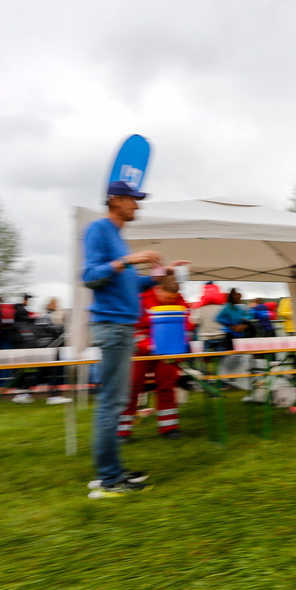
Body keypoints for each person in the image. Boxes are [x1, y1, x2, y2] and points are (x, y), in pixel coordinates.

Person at [81, 179, 171, 498]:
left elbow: (128, 285)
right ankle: (108, 480)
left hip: (120, 326)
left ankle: (112, 471)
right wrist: (129, 261)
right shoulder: (98, 230)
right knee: (112, 403)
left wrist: (160, 276)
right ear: (115, 200)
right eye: (133, 199)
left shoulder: (116, 238)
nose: (138, 205)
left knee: (115, 402)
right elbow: (89, 276)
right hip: (112, 326)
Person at [118, 268, 188, 442]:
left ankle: (169, 426)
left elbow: (185, 327)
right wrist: (147, 345)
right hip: (140, 352)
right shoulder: (140, 301)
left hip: (166, 352)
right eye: (166, 298)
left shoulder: (180, 302)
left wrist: (180, 346)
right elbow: (133, 329)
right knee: (132, 387)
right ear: (158, 289)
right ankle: (122, 431)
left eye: (172, 299)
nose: (169, 302)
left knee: (166, 386)